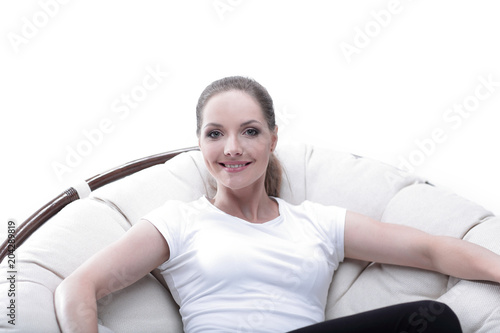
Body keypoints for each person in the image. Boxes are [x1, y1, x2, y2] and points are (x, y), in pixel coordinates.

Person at [55, 76, 499, 333]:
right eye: (215, 133)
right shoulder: (179, 220)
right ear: (200, 144)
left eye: (249, 131)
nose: (232, 147)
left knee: (434, 321)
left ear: (272, 138)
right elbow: (78, 287)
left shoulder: (317, 223)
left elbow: (432, 250)